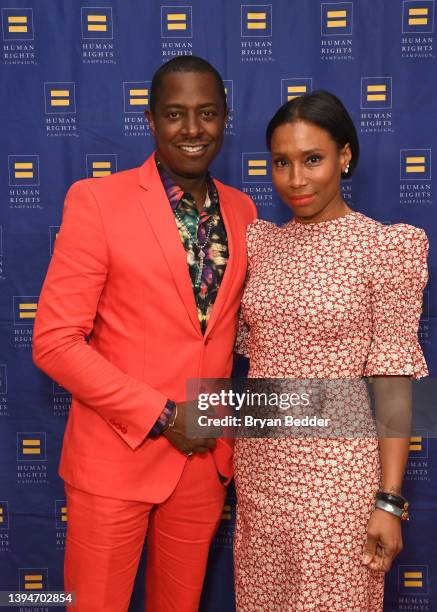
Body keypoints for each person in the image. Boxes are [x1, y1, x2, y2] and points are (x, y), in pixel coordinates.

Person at [32, 55, 257, 612]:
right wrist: (161, 415)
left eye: (206, 113)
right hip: (116, 456)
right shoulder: (97, 202)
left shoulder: (245, 210)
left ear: (225, 118)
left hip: (203, 464)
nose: (192, 129)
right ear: (151, 121)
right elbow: (55, 341)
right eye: (175, 114)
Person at [233, 91, 428, 611]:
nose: (296, 179)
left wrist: (388, 500)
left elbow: (392, 381)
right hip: (259, 473)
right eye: (281, 162)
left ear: (345, 156)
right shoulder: (262, 245)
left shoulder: (385, 248)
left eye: (312, 159)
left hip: (339, 480)